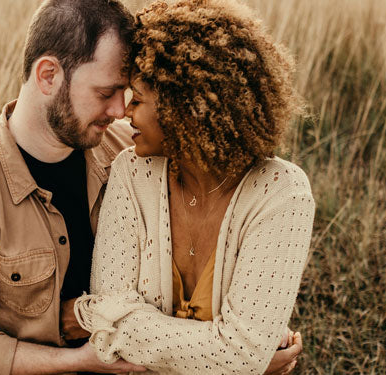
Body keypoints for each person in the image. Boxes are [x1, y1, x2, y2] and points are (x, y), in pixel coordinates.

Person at [0, 0, 302, 374]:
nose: (120, 111)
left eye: (128, 93)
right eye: (105, 93)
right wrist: (79, 360)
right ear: (48, 75)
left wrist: (238, 353)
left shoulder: (134, 150)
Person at [73, 0, 315, 374]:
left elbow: (243, 353)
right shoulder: (132, 173)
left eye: (137, 98)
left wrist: (127, 327)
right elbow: (106, 334)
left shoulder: (282, 193)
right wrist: (235, 360)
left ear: (184, 107)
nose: (124, 112)